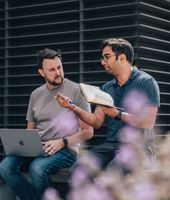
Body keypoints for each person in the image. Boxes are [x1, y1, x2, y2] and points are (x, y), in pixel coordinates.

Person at [0, 48, 93, 200]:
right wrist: (25, 146)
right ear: (41, 72)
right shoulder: (36, 94)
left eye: (59, 67)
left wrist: (61, 142)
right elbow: (30, 130)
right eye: (52, 69)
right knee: (5, 166)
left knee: (37, 168)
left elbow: (88, 131)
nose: (58, 72)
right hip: (38, 147)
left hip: (66, 149)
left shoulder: (77, 90)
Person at [56, 38, 160, 170]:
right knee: (78, 169)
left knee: (113, 171)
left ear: (122, 58)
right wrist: (73, 107)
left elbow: (148, 122)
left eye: (107, 57)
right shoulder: (107, 87)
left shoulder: (146, 82)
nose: (102, 62)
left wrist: (117, 114)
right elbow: (96, 121)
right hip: (111, 147)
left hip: (139, 148)